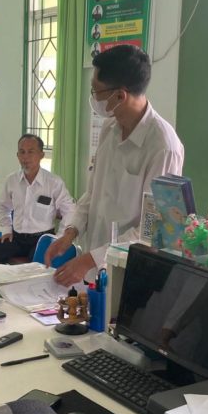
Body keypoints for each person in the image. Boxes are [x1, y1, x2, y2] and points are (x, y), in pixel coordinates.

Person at [46, 45, 184, 286]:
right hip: (93, 269)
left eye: (96, 91)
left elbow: (151, 230)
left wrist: (91, 259)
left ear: (120, 96)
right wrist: (71, 231)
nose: (93, 98)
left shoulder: (164, 147)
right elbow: (93, 193)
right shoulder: (110, 128)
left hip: (130, 272)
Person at [0, 134, 75, 264]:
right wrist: (7, 229)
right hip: (17, 238)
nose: (26, 157)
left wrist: (59, 238)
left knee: (36, 262)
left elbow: (69, 210)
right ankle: (7, 277)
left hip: (42, 239)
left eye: (31, 152)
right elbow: (3, 206)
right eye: (22, 152)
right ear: (17, 155)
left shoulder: (53, 182)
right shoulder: (12, 180)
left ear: (41, 155)